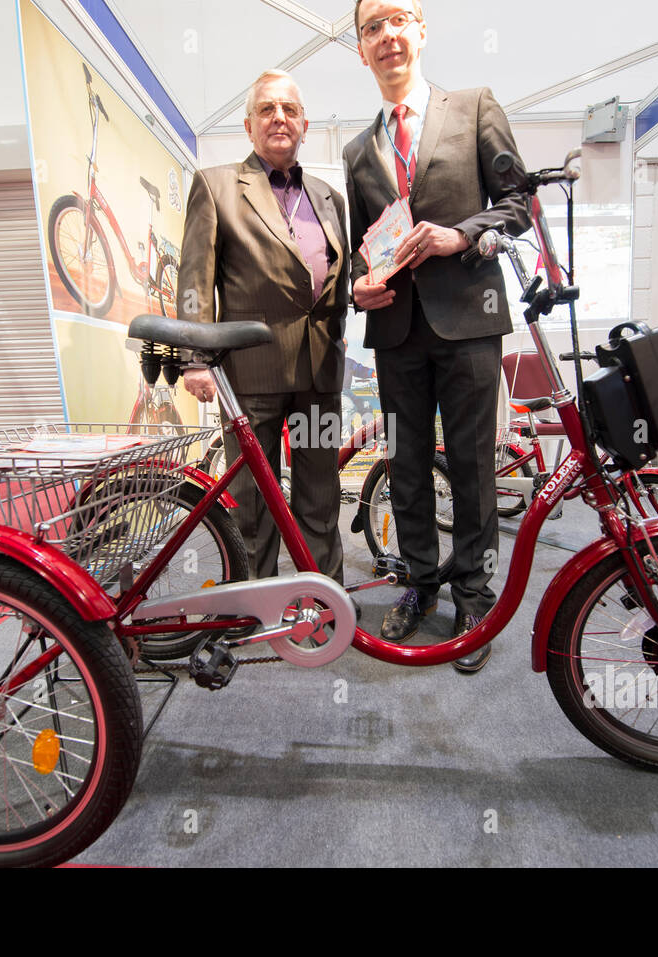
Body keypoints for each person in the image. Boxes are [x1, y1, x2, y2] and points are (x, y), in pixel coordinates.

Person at [343, 0, 529, 673]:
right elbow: (363, 247)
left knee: (476, 467)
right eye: (372, 27)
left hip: (469, 318)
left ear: (420, 30)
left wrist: (460, 235)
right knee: (407, 467)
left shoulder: (475, 105)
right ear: (360, 49)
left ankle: (474, 595)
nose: (387, 34)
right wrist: (358, 287)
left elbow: (518, 205)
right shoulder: (356, 149)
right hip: (395, 330)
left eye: (398, 18)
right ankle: (421, 582)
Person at [178, 70, 349, 584]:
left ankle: (326, 595)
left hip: (319, 375)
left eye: (290, 110)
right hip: (250, 376)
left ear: (304, 125)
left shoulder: (328, 197)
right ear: (249, 125)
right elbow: (195, 277)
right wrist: (194, 358)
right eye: (268, 109)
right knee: (254, 495)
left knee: (319, 492)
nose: (280, 118)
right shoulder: (217, 186)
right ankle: (259, 596)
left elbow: (341, 276)